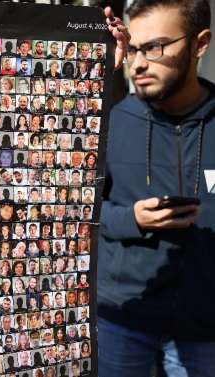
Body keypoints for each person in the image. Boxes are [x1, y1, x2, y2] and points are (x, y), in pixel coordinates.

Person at [98, 2, 215, 377]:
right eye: (134, 48)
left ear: (200, 44)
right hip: (122, 314)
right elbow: (81, 211)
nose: (139, 63)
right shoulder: (113, 122)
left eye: (155, 47)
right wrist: (131, 218)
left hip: (205, 322)